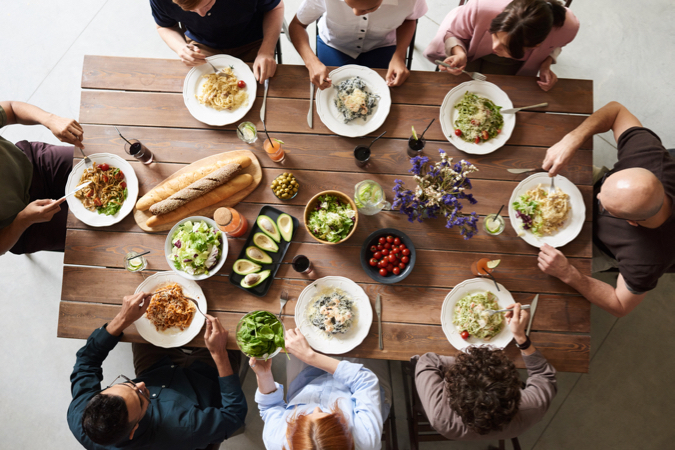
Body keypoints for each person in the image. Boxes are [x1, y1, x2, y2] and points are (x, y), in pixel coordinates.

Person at [538, 101, 675, 317]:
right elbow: (616, 111)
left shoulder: (647, 259)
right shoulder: (649, 157)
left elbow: (620, 305)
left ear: (632, 222)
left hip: (600, 244)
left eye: (603, 204)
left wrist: (569, 274)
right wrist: (572, 139)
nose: (596, 195)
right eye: (604, 188)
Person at [67, 292, 247, 449]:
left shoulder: (80, 414)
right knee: (230, 319)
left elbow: (87, 362)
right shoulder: (184, 429)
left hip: (156, 368)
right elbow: (234, 416)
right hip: (203, 380)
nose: (141, 384)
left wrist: (122, 319)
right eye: (140, 396)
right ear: (134, 430)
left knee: (147, 319)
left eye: (127, 384)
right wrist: (219, 354)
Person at [415, 303, 556, 440]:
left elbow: (427, 361)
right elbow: (544, 376)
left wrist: (462, 366)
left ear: (451, 393)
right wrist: (521, 337)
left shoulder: (439, 416)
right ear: (514, 390)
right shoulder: (533, 408)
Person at [251, 328, 391, 449]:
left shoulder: (275, 442)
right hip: (360, 386)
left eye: (304, 416)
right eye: (330, 416)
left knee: (295, 333)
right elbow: (364, 380)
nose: (316, 408)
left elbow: (270, 407)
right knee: (369, 334)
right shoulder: (366, 440)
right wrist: (310, 356)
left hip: (306, 381)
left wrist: (264, 376)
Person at [423, 0, 579, 91]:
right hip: (469, 45)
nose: (495, 47)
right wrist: (458, 53)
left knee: (501, 90)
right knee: (454, 87)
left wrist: (546, 64)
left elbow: (556, 47)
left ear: (535, 45)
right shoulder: (481, 7)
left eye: (506, 47)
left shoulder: (568, 28)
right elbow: (454, 33)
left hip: (515, 63)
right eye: (495, 35)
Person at [0, 101, 84, 256]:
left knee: (100, 165)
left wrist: (49, 119)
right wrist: (23, 220)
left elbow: (11, 109)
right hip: (21, 223)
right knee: (94, 233)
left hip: (35, 163)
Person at [288, 0, 428, 89]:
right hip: (334, 45)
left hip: (382, 45)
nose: (356, 14)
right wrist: (311, 62)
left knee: (388, 94)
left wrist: (399, 55)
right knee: (328, 93)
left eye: (370, 8)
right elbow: (297, 25)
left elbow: (410, 19)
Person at [150, 0, 285, 83]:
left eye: (207, 4)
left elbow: (276, 7)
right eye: (190, 11)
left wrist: (267, 51)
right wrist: (180, 47)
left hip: (252, 40)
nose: (201, 14)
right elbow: (164, 26)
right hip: (202, 44)